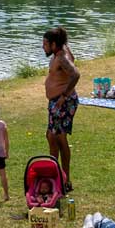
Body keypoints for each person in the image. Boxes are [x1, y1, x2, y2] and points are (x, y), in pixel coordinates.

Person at [43, 26, 80, 192]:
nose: (43, 47)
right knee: (51, 137)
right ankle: (57, 178)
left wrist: (64, 96)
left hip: (62, 102)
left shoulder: (62, 58)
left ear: (53, 44)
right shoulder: (61, 52)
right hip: (56, 101)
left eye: (45, 43)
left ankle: (64, 181)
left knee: (59, 138)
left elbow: (75, 74)